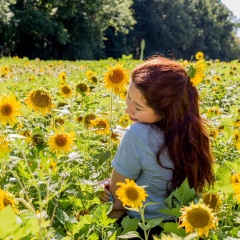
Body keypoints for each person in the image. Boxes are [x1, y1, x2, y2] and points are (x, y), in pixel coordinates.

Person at [99, 56, 215, 237]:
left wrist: (101, 229)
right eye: (128, 97)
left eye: (138, 107)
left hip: (140, 227)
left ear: (165, 111)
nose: (128, 110)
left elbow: (118, 205)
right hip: (181, 228)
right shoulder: (194, 135)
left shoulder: (137, 134)